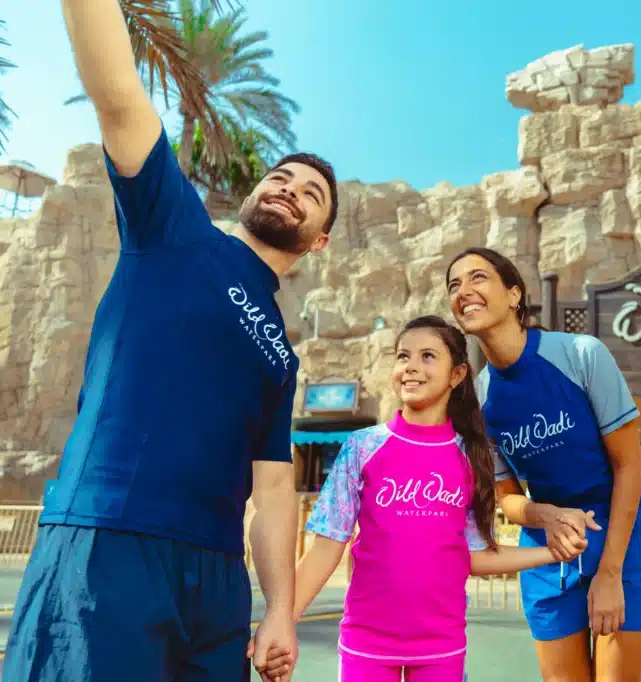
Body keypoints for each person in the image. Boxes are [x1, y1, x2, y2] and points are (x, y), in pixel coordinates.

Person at [2, 2, 339, 681]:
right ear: (253, 193)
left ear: (319, 240)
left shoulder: (282, 354)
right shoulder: (176, 229)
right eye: (280, 178)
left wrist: (279, 609)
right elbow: (120, 99)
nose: (289, 189)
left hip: (217, 583)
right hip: (109, 541)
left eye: (311, 193)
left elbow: (275, 488)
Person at [260, 316, 582, 682]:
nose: (411, 366)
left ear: (457, 374)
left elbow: (474, 556)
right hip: (366, 643)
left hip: (441, 648)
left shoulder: (472, 458)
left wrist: (552, 552)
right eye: (403, 356)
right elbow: (326, 548)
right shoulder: (362, 447)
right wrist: (282, 623)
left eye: (428, 356)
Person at [445, 248, 641, 682]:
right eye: (454, 285)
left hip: (626, 540)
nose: (464, 291)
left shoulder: (582, 354)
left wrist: (610, 572)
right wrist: (543, 514)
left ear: (514, 294)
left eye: (478, 278)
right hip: (551, 548)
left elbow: (629, 467)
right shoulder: (479, 402)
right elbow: (506, 498)